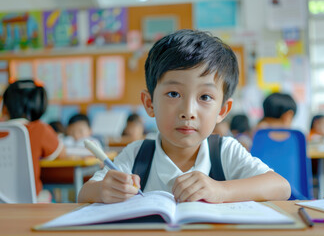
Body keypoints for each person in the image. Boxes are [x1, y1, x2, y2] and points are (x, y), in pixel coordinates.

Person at [78, 29, 290, 204]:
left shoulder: (225, 152)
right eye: (173, 94)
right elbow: (84, 193)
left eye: (205, 96)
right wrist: (103, 191)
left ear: (222, 111)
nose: (188, 111)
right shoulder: (137, 155)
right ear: (150, 104)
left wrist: (221, 191)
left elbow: (281, 187)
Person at [2, 79, 66, 202]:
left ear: (5, 107)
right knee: (48, 193)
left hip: (2, 203)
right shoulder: (40, 128)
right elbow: (61, 154)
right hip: (30, 199)